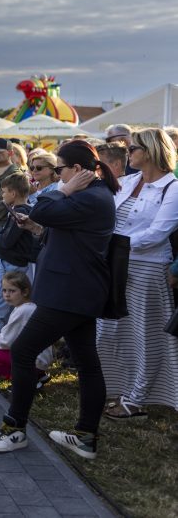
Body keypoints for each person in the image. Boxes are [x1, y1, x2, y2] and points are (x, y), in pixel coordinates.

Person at [0, 140, 117, 460]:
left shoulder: (91, 197)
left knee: (24, 349)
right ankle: (85, 436)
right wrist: (34, 228)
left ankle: (14, 427)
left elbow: (41, 205)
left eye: (59, 170)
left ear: (76, 170)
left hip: (70, 292)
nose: (56, 176)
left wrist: (64, 189)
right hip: (74, 289)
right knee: (86, 362)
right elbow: (57, 228)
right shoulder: (91, 196)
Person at [98, 128, 178, 419]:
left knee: (146, 336)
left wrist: (114, 245)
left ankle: (138, 398)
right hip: (118, 266)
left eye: (132, 149)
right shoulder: (129, 181)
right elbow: (104, 214)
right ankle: (118, 387)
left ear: (152, 151)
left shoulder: (173, 188)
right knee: (111, 331)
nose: (127, 153)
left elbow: (157, 233)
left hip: (148, 268)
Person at [0, 173, 36, 340]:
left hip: (10, 265)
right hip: (12, 263)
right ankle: (3, 349)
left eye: (4, 192)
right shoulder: (18, 210)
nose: (2, 195)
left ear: (13, 194)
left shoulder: (21, 212)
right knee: (10, 310)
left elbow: (8, 240)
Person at [0, 272, 52, 382]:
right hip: (38, 359)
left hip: (34, 361)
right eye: (4, 290)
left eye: (12, 291)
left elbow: (6, 341)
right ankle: (38, 375)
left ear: (25, 292)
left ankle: (27, 379)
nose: (7, 294)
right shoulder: (28, 307)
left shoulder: (23, 310)